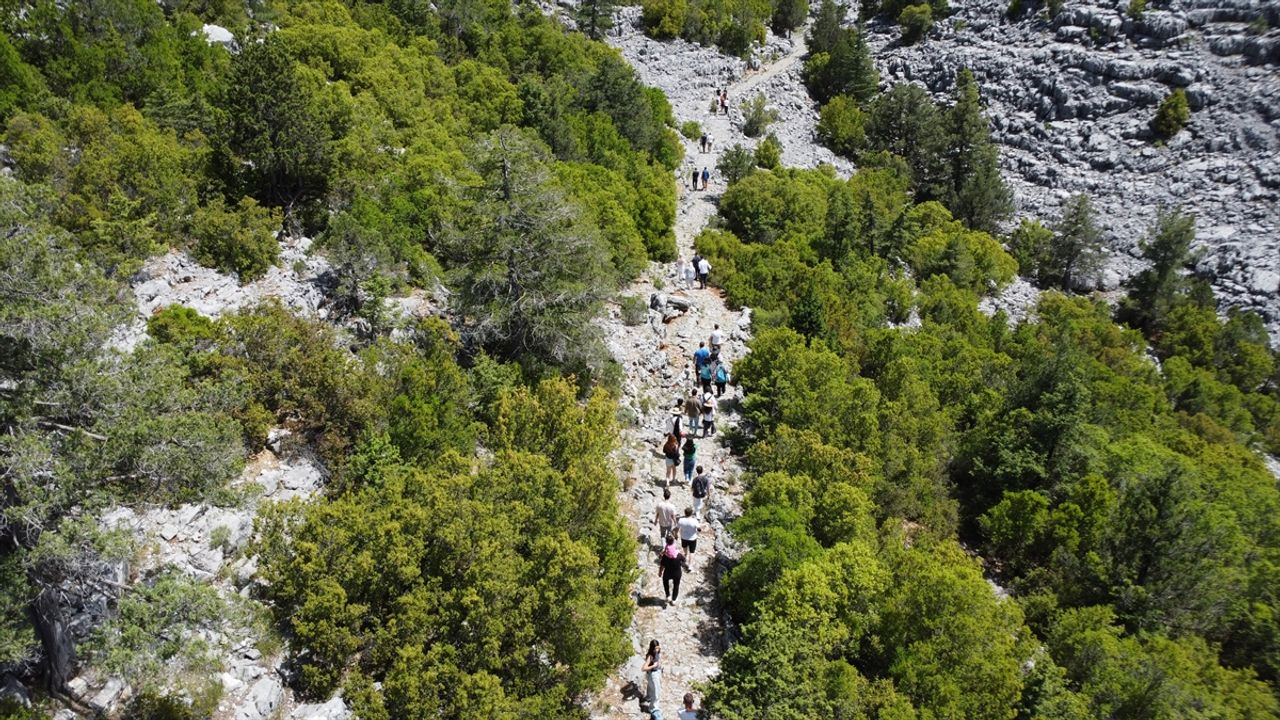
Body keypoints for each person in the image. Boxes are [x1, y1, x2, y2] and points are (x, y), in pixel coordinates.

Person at [658, 534, 685, 607]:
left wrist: (660, 572)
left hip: (668, 572)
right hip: (677, 573)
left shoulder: (665, 556)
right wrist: (681, 563)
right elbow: (684, 559)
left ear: (666, 542)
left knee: (665, 581)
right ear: (673, 542)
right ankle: (674, 600)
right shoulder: (678, 555)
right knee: (676, 585)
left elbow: (662, 565)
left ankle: (668, 595)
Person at [643, 639, 662, 709]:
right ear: (652, 648)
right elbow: (644, 668)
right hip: (652, 675)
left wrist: (658, 666)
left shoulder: (656, 652)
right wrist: (653, 666)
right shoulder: (650, 656)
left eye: (658, 647)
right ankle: (653, 708)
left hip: (654, 673)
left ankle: (648, 697)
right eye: (656, 648)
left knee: (651, 687)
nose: (657, 649)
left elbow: (657, 659)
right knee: (657, 693)